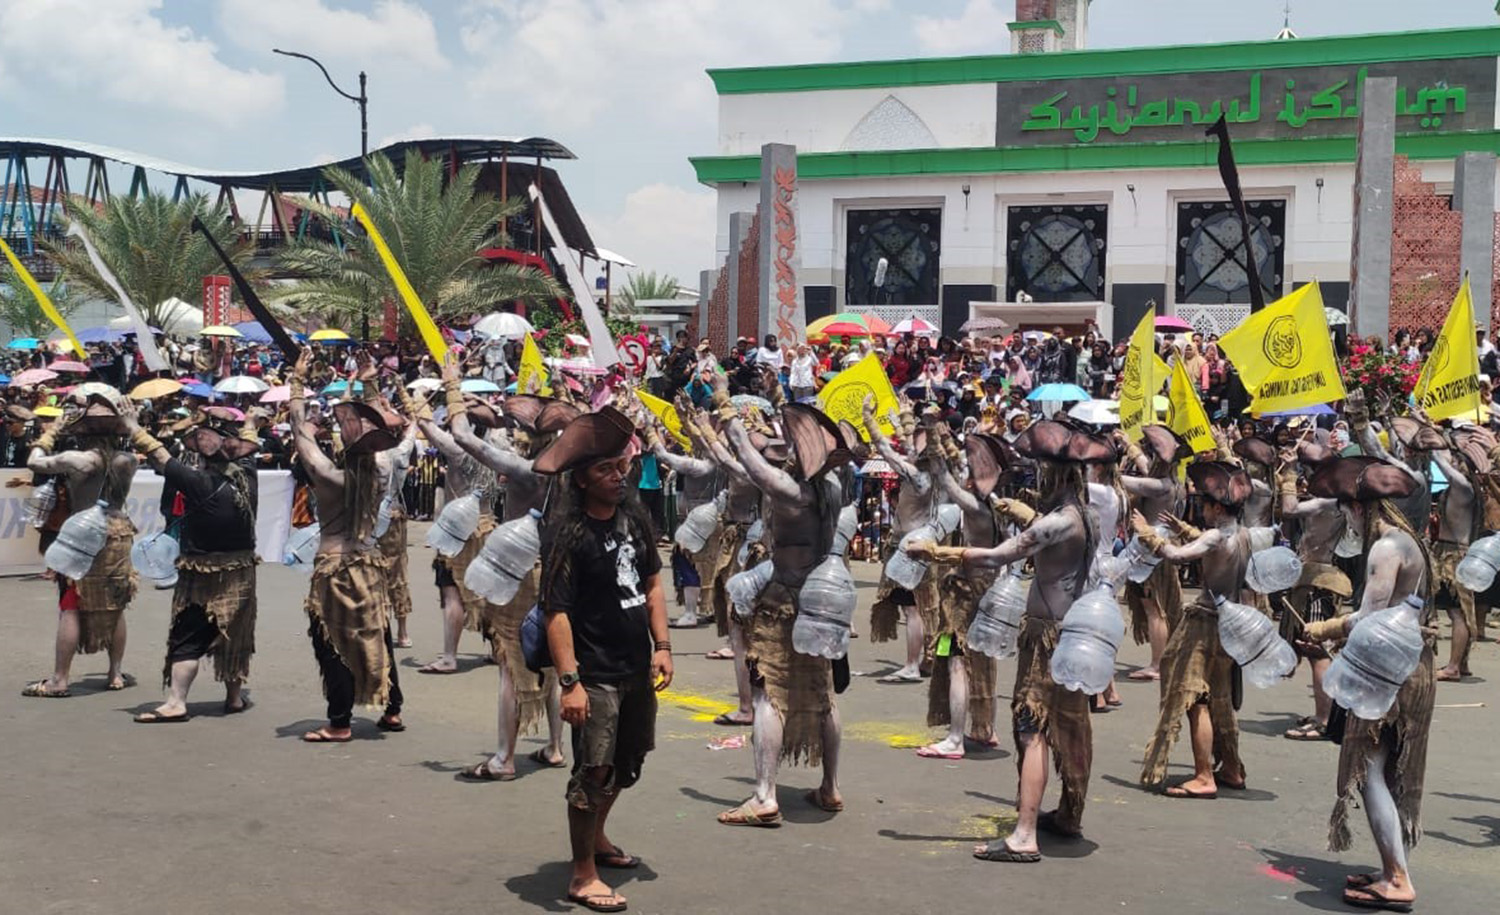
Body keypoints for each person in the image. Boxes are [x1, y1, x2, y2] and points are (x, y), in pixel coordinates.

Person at [907, 420, 1114, 862]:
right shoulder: (1085, 514)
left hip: (1050, 640)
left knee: (1031, 728)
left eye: (1042, 471)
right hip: (1072, 634)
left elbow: (1002, 554)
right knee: (1072, 727)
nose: (1037, 478)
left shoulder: (1060, 521)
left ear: (1055, 475)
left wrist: (938, 553)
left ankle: (1024, 835)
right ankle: (1069, 816)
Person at [538, 406, 672, 914]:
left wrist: (662, 647)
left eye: (622, 466)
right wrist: (570, 682)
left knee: (628, 762)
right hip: (594, 676)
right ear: (581, 480)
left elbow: (653, 584)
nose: (618, 477)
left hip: (636, 665)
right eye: (605, 470)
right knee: (592, 772)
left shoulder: (635, 516)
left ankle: (597, 838)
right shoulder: (566, 534)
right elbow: (557, 613)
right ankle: (581, 874)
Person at [1301, 456, 1433, 913]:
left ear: (1359, 508)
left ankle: (1397, 878)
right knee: (1390, 770)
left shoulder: (1385, 548)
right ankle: (1390, 869)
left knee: (1371, 770)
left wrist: (1323, 630)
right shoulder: (1411, 538)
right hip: (1411, 664)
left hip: (1389, 672)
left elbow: (1369, 618)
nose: (1345, 518)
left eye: (1346, 510)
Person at [715, 401, 849, 827]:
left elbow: (753, 465)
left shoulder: (794, 494)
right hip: (823, 600)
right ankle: (829, 787)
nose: (786, 449)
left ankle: (764, 795)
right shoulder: (832, 487)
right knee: (824, 695)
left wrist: (725, 411)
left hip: (786, 602)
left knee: (768, 694)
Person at [442, 368, 570, 780]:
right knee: (552, 662)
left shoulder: (525, 470)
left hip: (519, 575)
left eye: (517, 428)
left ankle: (503, 759)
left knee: (511, 666)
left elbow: (462, 436)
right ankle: (554, 746)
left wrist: (451, 386)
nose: (511, 434)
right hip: (554, 570)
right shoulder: (565, 470)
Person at [288, 351, 405, 743]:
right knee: (376, 632)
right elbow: (384, 431)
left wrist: (298, 383)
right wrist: (370, 381)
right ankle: (392, 709)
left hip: (335, 564)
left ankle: (339, 722)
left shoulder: (328, 475)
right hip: (369, 564)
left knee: (332, 640)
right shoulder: (383, 471)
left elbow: (299, 431)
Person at [124, 405, 259, 723]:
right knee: (235, 634)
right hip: (242, 569)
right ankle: (235, 697)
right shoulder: (248, 474)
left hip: (203, 570)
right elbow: (248, 443)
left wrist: (132, 427)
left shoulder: (199, 482)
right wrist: (250, 423)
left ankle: (176, 702)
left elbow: (159, 456)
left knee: (188, 635)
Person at [1134, 461, 1254, 799]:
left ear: (1218, 507)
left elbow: (1174, 555)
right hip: (1231, 623)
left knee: (1195, 698)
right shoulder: (1242, 534)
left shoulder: (1216, 536)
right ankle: (1230, 767)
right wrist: (1184, 527)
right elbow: (1206, 545)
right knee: (1221, 698)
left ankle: (1204, 776)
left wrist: (1146, 531)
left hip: (1205, 624)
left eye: (1204, 503)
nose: (1201, 508)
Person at [22, 388, 138, 697]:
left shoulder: (76, 459)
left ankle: (60, 679)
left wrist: (49, 434)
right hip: (117, 530)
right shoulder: (128, 460)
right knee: (116, 606)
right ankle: (115, 674)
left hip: (81, 532)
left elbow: (35, 462)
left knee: (70, 606)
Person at [916, 425, 1004, 759]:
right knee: (983, 660)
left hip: (966, 597)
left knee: (956, 661)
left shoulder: (978, 507)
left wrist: (936, 447)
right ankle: (985, 728)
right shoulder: (997, 504)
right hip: (986, 590)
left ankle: (954, 739)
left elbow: (946, 481)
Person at [1277, 440, 1353, 742]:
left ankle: (1324, 720)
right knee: (1315, 650)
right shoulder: (1331, 497)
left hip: (1319, 581)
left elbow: (1289, 508)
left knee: (1317, 650)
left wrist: (1290, 475)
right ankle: (1324, 713)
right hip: (1312, 576)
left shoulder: (1328, 501)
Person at [863, 394, 937, 683]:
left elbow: (885, 448)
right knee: (923, 607)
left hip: (911, 548)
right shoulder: (932, 472)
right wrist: (902, 417)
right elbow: (907, 446)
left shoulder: (918, 475)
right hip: (921, 543)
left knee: (913, 609)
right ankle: (927, 660)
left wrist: (868, 416)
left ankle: (911, 664)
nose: (912, 446)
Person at [1120, 426, 1190, 681]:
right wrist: (1128, 445)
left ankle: (1157, 665)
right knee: (1160, 606)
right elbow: (1143, 466)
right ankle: (1163, 661)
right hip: (1163, 546)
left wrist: (1104, 467)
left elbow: (1124, 481)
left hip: (1151, 548)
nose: (1148, 457)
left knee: (1154, 608)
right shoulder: (1176, 483)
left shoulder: (1159, 485)